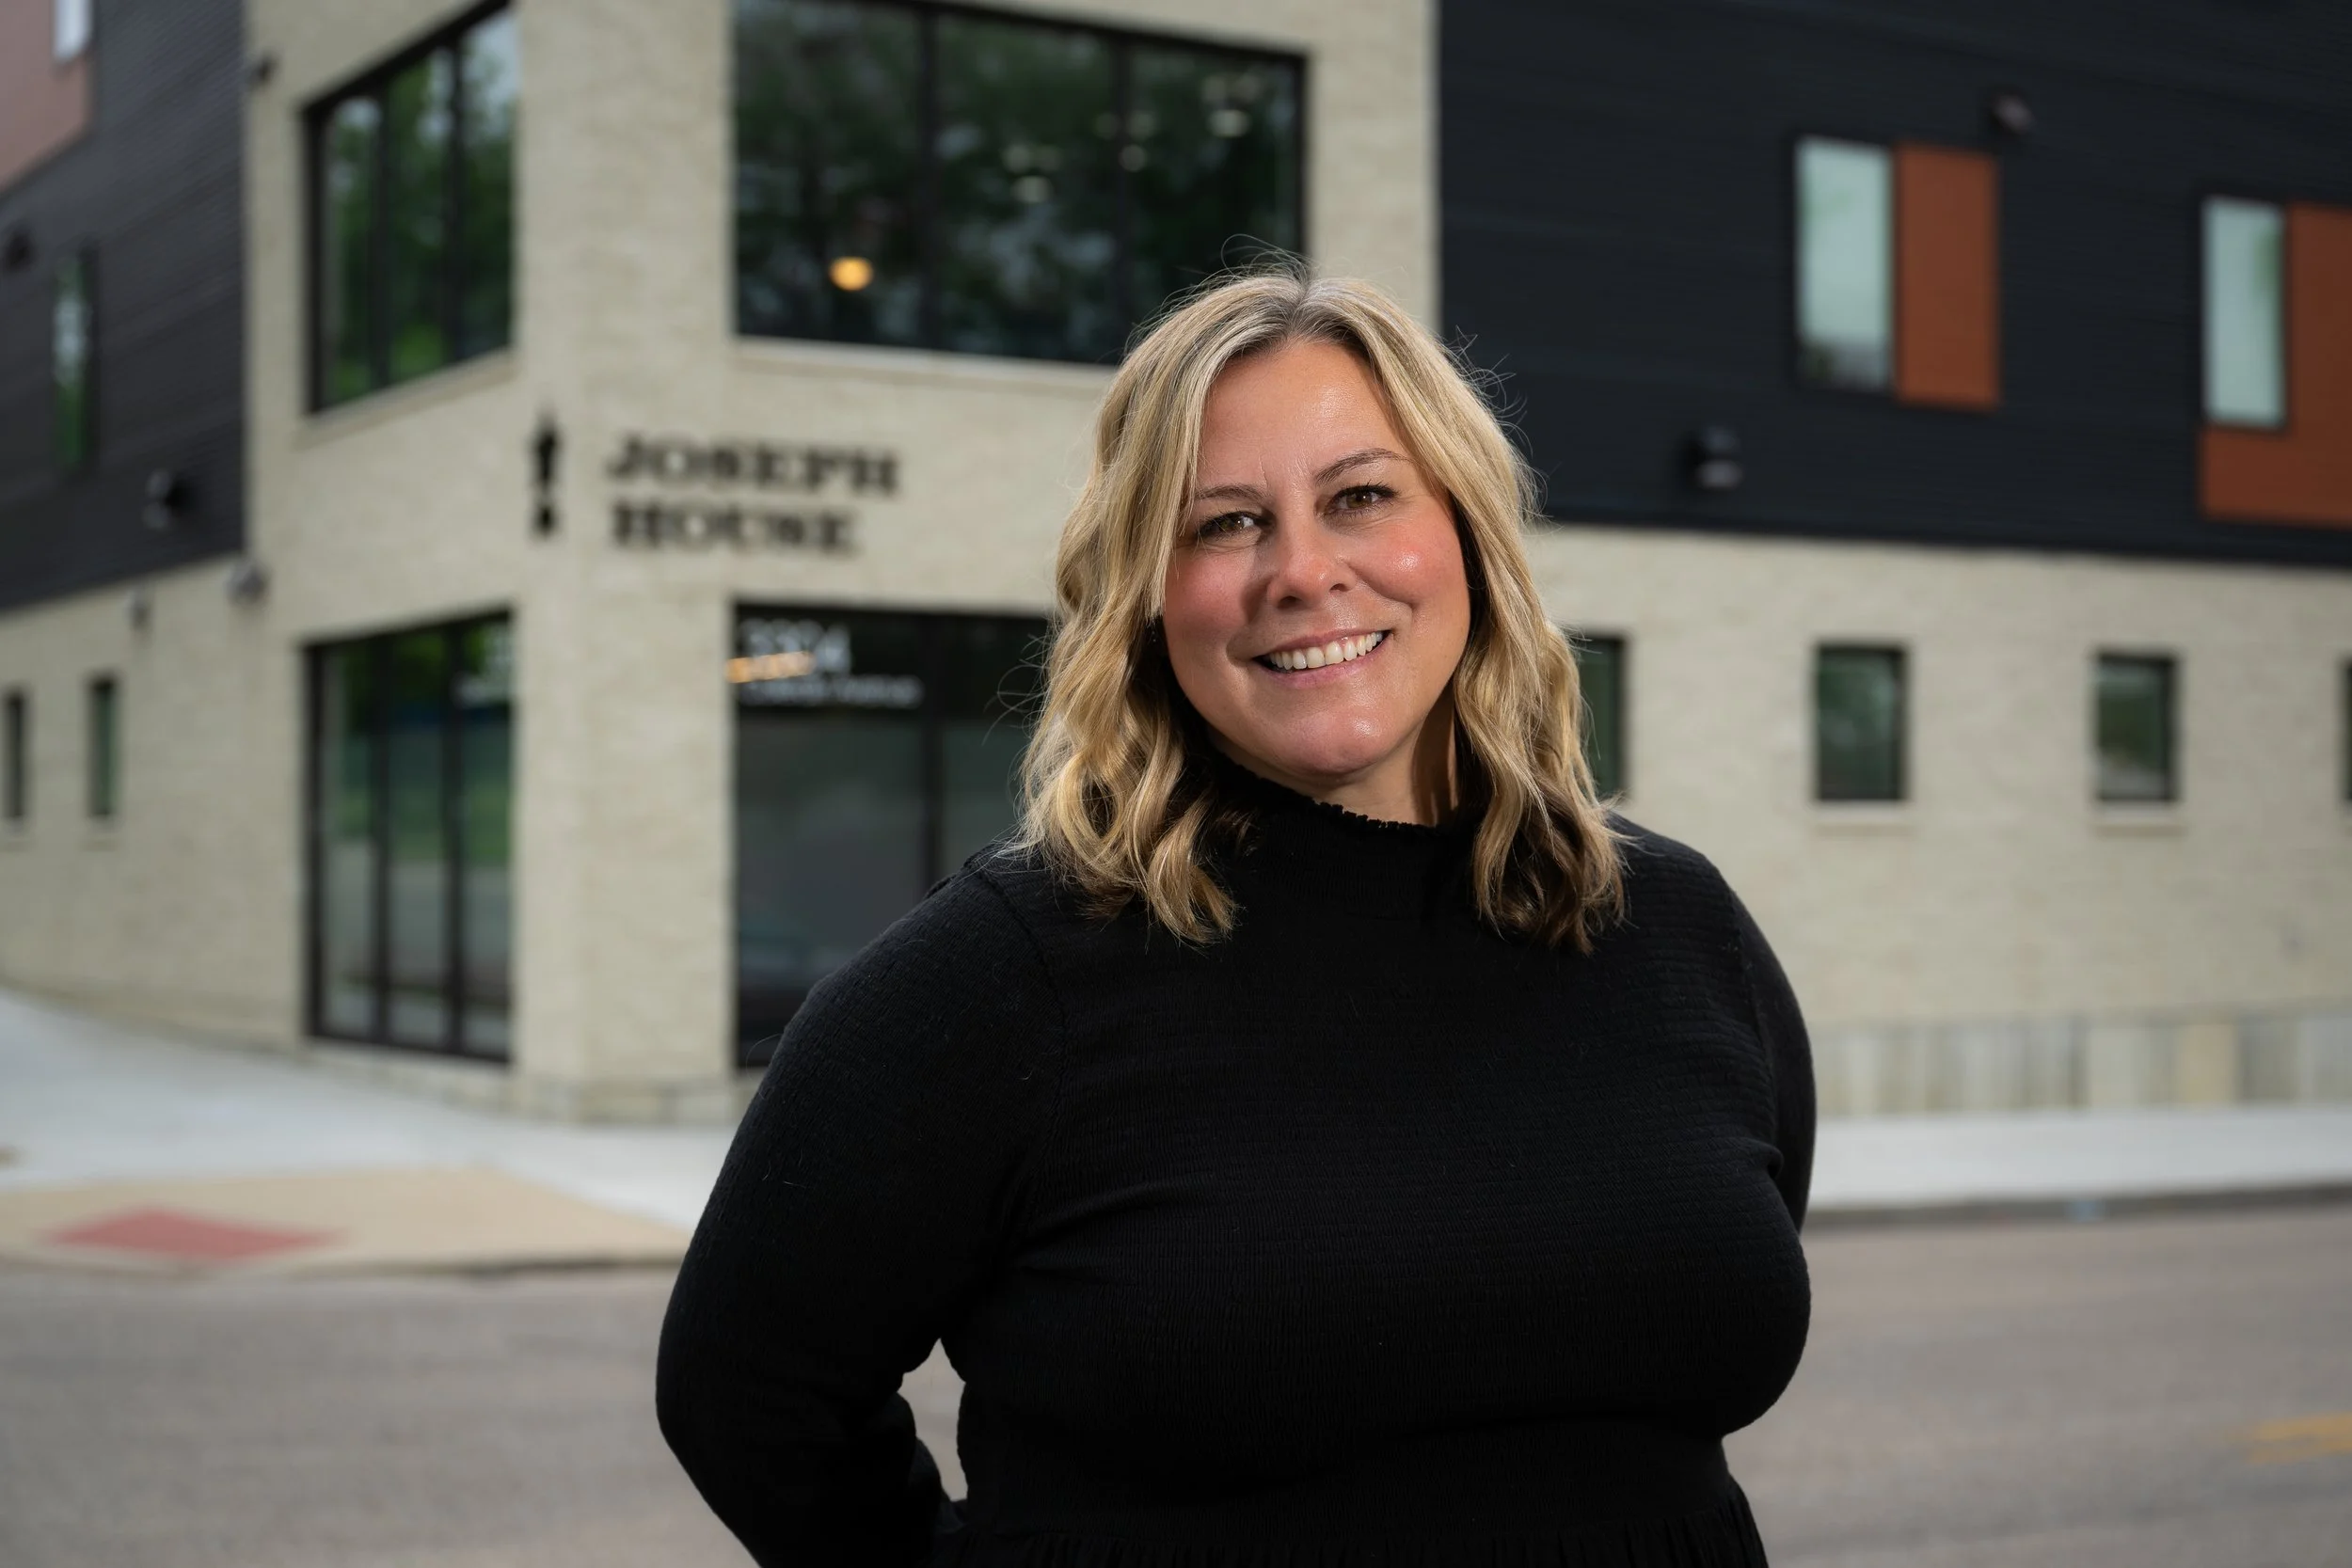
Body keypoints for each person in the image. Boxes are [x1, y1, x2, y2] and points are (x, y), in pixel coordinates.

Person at [658, 271, 1814, 1568]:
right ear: (1149, 598)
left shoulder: (1670, 925)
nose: (1303, 573)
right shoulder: (1012, 968)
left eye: (1362, 496)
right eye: (1224, 524)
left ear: (1469, 535)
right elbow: (745, 1391)